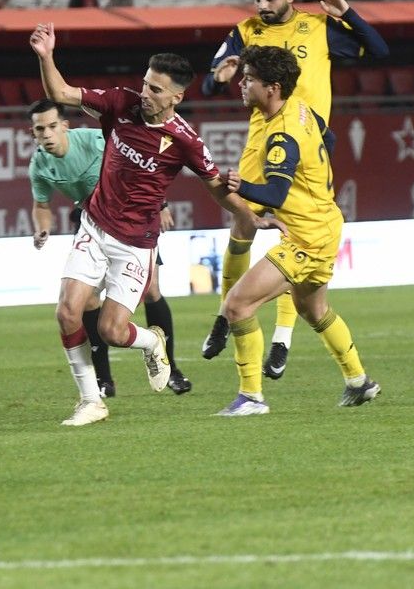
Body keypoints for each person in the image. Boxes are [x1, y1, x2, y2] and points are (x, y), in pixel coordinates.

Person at [29, 23, 282, 426]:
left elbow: (216, 187)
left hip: (135, 243)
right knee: (67, 313)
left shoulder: (186, 141)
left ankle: (151, 341)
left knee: (113, 330)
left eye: (157, 90)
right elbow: (61, 94)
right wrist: (46, 56)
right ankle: (91, 400)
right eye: (146, 84)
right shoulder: (119, 103)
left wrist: (249, 215)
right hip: (94, 226)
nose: (146, 94)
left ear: (177, 97)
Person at [199, 0, 389, 380]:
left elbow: (379, 51)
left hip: (306, 138)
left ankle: (281, 338)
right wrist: (221, 73)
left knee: (287, 227)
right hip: (260, 138)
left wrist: (347, 13)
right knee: (243, 222)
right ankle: (223, 316)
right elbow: (210, 84)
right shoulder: (246, 31)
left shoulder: (318, 28)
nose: (262, 5)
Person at [217, 45, 380, 414]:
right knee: (313, 309)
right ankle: (359, 382)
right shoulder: (302, 109)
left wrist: (236, 183)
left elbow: (274, 191)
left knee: (238, 305)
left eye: (250, 79)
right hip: (325, 224)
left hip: (306, 236)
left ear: (272, 87)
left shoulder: (281, 135)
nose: (242, 84)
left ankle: (251, 397)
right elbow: (330, 140)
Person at [28, 98, 191, 397]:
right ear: (33, 133)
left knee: (152, 289)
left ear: (65, 126)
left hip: (130, 216)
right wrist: (42, 226)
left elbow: (137, 164)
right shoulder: (39, 165)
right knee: (86, 301)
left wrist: (161, 203)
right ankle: (104, 381)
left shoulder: (93, 140)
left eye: (52, 126)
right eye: (41, 130)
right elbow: (41, 204)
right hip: (91, 219)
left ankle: (172, 368)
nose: (47, 134)